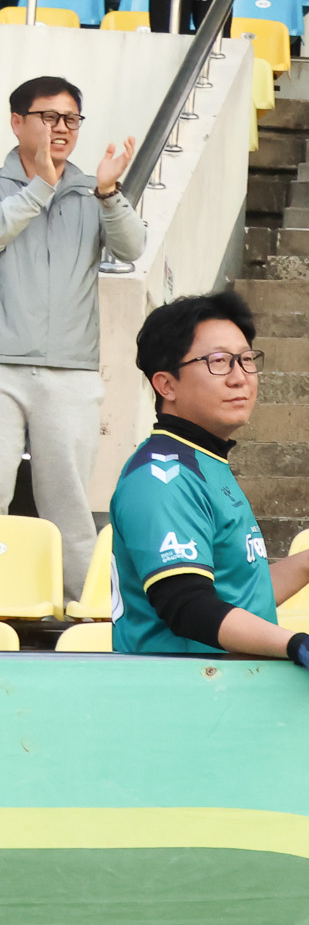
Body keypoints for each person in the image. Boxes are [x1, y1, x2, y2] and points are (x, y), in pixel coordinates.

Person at [106, 290, 309, 676]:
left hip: (223, 690)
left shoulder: (205, 462)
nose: (240, 378)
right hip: (176, 693)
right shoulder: (161, 477)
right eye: (218, 362)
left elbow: (240, 595)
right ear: (166, 385)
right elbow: (188, 607)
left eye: (246, 360)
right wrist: (293, 644)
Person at [0, 76, 141, 595]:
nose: (61, 128)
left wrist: (109, 192)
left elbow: (132, 248)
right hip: (2, 367)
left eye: (71, 119)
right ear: (17, 122)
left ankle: (83, 610)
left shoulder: (91, 190)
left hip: (72, 371)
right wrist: (40, 186)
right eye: (48, 117)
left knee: (70, 503)